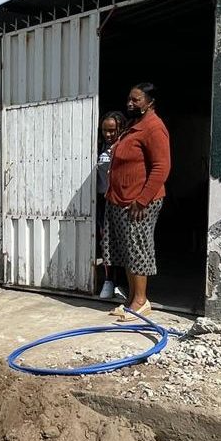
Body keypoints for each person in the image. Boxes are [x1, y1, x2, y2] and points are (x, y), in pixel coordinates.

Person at [102, 82, 171, 321]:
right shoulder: (134, 126)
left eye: (136, 99)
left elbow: (162, 167)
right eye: (129, 99)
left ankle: (141, 302)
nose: (130, 103)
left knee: (138, 249)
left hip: (140, 202)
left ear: (150, 102)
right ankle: (132, 299)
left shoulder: (154, 128)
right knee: (128, 251)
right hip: (122, 200)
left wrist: (142, 200)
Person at [96, 111, 127, 300]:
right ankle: (108, 280)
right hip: (102, 200)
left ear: (120, 129)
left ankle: (121, 283)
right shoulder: (99, 147)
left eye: (112, 130)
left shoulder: (124, 146)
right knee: (105, 241)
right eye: (104, 131)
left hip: (120, 200)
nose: (108, 134)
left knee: (122, 242)